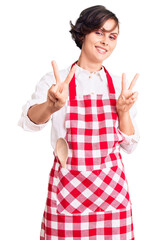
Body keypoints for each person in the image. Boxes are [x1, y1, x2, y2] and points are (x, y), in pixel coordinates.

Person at [18, 5, 139, 240]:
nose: (105, 41)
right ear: (83, 33)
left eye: (112, 36)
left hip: (111, 192)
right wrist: (51, 105)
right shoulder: (57, 80)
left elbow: (130, 146)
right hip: (68, 190)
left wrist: (123, 111)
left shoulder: (118, 86)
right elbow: (30, 122)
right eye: (99, 32)